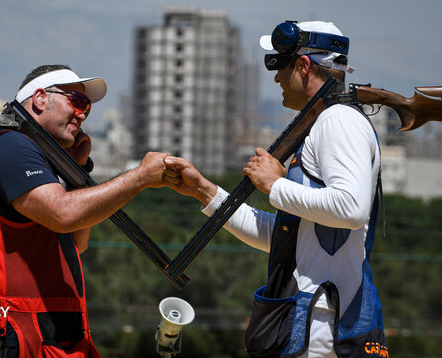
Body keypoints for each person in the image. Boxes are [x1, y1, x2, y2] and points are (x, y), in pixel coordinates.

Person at [164, 21, 388, 358]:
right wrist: (206, 193)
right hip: (316, 323)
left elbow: (351, 209)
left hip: (320, 328)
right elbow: (290, 239)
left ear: (303, 65)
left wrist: (274, 185)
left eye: (279, 65)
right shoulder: (329, 121)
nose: (276, 77)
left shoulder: (338, 120)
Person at [0, 64, 173, 358]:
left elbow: (76, 242)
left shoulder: (29, 153)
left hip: (46, 335)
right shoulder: (11, 146)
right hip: (16, 337)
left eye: (88, 107)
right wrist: (140, 177)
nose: (83, 114)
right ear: (41, 99)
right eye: (77, 101)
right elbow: (62, 214)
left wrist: (76, 174)